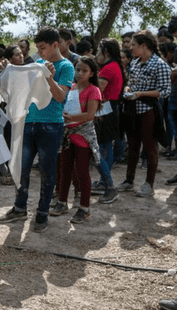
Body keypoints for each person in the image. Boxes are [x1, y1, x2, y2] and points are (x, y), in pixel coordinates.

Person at [0, 26, 74, 233]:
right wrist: (7, 70)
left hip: (51, 124)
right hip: (28, 122)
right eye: (37, 48)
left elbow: (60, 97)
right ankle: (20, 207)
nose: (39, 53)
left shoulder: (66, 66)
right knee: (22, 168)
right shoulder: (37, 64)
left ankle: (42, 213)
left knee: (47, 171)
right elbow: (19, 82)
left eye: (42, 48)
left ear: (55, 45)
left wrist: (49, 77)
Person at [116, 30, 172, 197]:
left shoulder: (159, 65)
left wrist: (141, 94)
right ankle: (129, 181)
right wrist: (128, 89)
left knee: (149, 147)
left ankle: (149, 184)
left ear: (144, 46)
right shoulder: (135, 62)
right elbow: (130, 82)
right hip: (132, 110)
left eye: (134, 45)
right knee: (132, 145)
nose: (130, 48)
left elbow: (164, 91)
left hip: (148, 111)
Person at [50, 57, 103, 223]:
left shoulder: (94, 90)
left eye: (84, 70)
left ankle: (84, 208)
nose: (80, 73)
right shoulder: (71, 88)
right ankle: (62, 202)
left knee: (81, 173)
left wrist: (70, 117)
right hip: (67, 135)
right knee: (64, 171)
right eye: (78, 70)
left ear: (92, 73)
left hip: (83, 136)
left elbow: (90, 115)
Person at [91, 38, 125, 203]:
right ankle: (105, 181)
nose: (96, 54)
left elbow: (98, 91)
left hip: (105, 111)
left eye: (98, 51)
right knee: (105, 146)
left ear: (106, 52)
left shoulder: (108, 69)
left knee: (102, 148)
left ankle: (107, 183)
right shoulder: (114, 66)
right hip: (111, 109)